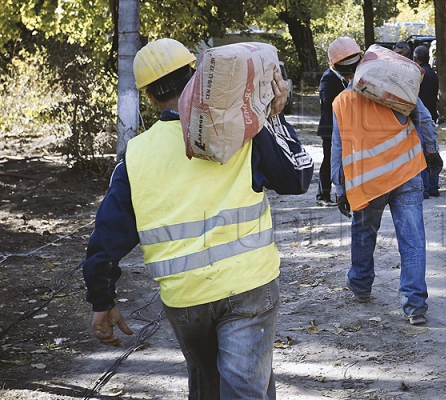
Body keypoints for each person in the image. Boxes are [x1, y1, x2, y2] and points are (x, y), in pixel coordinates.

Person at [83, 38, 313, 400]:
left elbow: (108, 235)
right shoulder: (241, 130)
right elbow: (298, 178)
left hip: (185, 298)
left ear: (148, 98)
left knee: (209, 387)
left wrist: (101, 299)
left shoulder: (137, 156)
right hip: (248, 287)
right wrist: (273, 117)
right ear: (196, 77)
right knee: (246, 388)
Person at [330, 51, 443, 326]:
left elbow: (338, 147)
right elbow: (424, 119)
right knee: (412, 240)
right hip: (407, 173)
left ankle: (360, 284)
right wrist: (432, 151)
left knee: (363, 232)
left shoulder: (341, 101)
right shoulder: (393, 86)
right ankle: (415, 306)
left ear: (336, 70)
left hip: (369, 182)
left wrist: (340, 187)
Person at [316, 37, 363, 207]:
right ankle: (323, 195)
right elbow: (327, 100)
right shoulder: (329, 78)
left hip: (341, 126)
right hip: (329, 128)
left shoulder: (344, 78)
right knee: (329, 160)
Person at [413, 45, 440, 198]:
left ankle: (425, 190)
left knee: (422, 155)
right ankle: (434, 187)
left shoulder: (419, 74)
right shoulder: (433, 74)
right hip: (432, 117)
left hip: (420, 118)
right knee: (432, 151)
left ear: (416, 59)